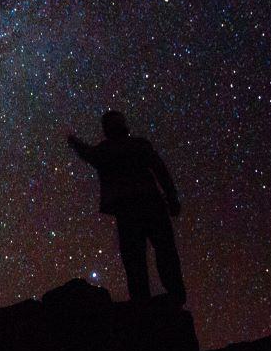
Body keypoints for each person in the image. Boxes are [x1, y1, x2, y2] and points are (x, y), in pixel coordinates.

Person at [67, 110, 186, 305]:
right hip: (151, 205)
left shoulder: (106, 151)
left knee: (135, 258)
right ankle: (174, 294)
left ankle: (143, 301)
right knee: (162, 251)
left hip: (129, 210)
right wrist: (172, 197)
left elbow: (89, 154)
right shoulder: (138, 145)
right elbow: (160, 170)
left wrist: (74, 142)